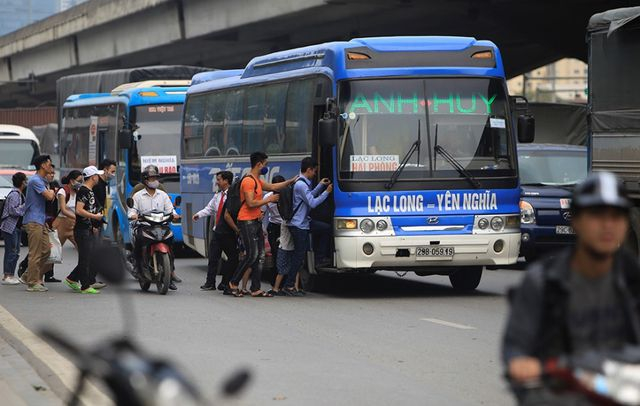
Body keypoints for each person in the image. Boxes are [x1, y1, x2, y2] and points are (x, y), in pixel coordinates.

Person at [502, 172, 640, 403]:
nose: (607, 225)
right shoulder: (543, 281)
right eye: (597, 215)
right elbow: (517, 346)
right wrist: (522, 363)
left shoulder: (633, 281)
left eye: (616, 216)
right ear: (575, 220)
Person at [228, 151, 296, 297]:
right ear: (259, 164)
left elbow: (273, 187)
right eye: (265, 164)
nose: (266, 167)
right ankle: (233, 283)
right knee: (251, 255)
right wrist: (269, 200)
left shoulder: (257, 181)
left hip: (256, 221)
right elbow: (251, 203)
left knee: (260, 256)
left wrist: (290, 181)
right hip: (246, 221)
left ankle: (255, 288)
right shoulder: (248, 181)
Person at [284, 157, 332, 295]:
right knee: (298, 256)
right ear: (309, 169)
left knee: (325, 228)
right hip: (299, 225)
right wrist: (326, 192)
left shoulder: (302, 183)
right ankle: (289, 285)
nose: (315, 174)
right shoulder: (301, 185)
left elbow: (308, 196)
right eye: (314, 171)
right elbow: (313, 203)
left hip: (303, 222)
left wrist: (320, 186)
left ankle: (320, 258)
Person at [128, 165, 181, 290]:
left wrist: (175, 215)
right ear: (145, 180)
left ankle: (169, 272)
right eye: (151, 178)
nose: (154, 181)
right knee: (139, 241)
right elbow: (131, 210)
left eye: (155, 178)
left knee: (170, 242)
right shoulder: (138, 195)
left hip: (161, 225)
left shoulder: (162, 194)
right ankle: (138, 266)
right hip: (144, 225)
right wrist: (133, 215)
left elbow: (170, 209)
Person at [64, 166, 106, 294]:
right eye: (97, 176)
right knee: (85, 258)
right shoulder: (83, 191)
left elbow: (89, 209)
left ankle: (72, 279)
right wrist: (95, 217)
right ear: (93, 177)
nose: (99, 178)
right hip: (81, 230)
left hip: (88, 228)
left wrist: (93, 225)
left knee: (89, 257)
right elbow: (79, 210)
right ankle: (85, 286)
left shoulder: (89, 191)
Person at [192, 170, 233, 290]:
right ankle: (210, 283)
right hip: (217, 232)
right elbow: (209, 209)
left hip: (229, 232)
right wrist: (198, 215)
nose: (217, 182)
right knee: (213, 258)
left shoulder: (233, 195)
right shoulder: (218, 195)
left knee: (232, 258)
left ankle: (225, 282)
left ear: (226, 181)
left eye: (219, 179)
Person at [22, 155, 56, 292]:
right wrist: (52, 191)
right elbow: (49, 197)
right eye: (49, 164)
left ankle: (27, 275)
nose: (51, 166)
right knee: (35, 253)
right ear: (43, 165)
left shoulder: (41, 180)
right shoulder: (35, 180)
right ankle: (32, 282)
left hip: (40, 220)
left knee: (46, 251)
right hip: (33, 220)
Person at [1, 172, 27, 285]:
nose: (26, 182)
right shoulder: (15, 194)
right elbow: (13, 210)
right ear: (22, 182)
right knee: (12, 252)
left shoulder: (19, 194)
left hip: (15, 227)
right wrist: (24, 207)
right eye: (25, 180)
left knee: (14, 252)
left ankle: (9, 274)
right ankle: (7, 275)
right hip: (11, 227)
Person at [263, 175, 286, 284]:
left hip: (286, 227)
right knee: (275, 253)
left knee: (285, 253)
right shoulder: (268, 197)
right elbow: (262, 212)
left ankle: (285, 280)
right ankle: (275, 281)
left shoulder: (287, 196)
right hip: (273, 227)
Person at [52, 170, 83, 249]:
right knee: (54, 253)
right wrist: (76, 217)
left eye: (81, 181)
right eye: (79, 181)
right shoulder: (62, 191)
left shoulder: (78, 192)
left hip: (73, 226)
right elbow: (63, 210)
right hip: (61, 225)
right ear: (72, 181)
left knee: (82, 250)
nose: (80, 183)